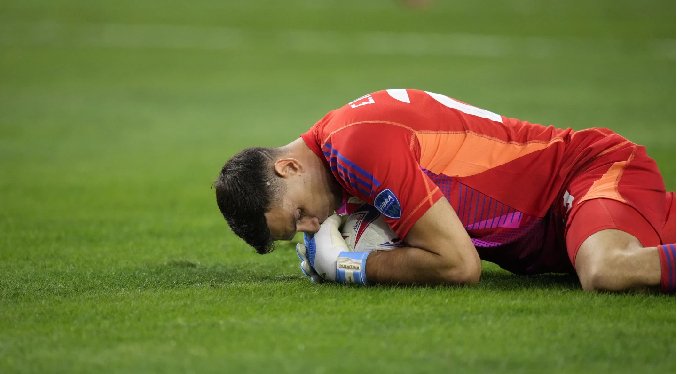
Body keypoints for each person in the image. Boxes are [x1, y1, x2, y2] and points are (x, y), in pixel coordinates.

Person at [214, 89, 676, 293]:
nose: (313, 227)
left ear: (289, 165)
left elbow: (458, 265)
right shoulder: (342, 152)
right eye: (298, 232)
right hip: (558, 225)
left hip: (586, 174)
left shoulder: (357, 145)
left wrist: (348, 265)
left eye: (298, 217)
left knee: (608, 272)